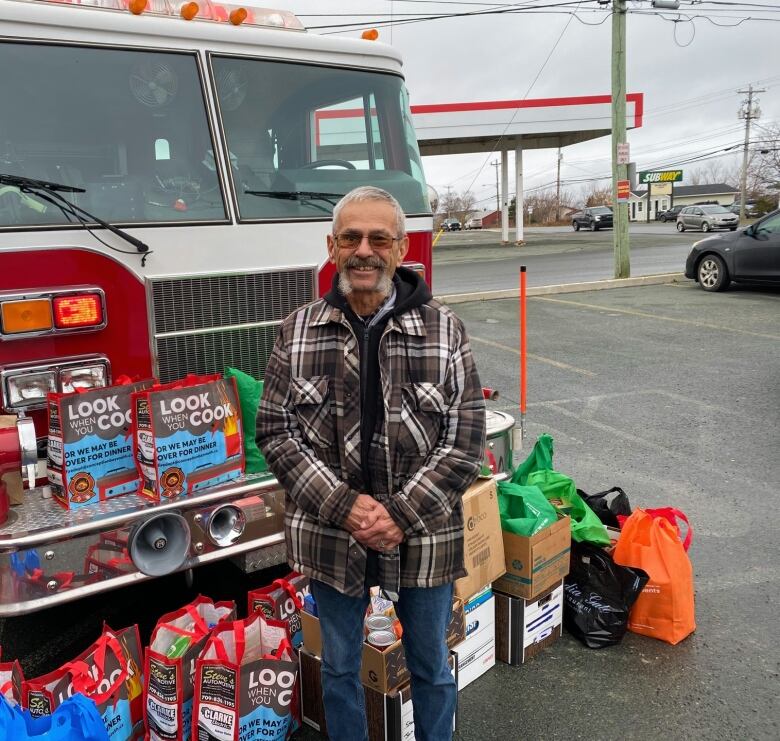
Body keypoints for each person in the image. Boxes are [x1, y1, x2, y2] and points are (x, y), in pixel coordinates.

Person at [257, 185, 485, 741]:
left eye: (379, 237)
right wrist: (346, 507)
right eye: (351, 237)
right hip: (331, 534)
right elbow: (276, 430)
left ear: (402, 248)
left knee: (431, 666)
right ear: (331, 246)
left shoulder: (443, 329)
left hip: (424, 533)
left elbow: (465, 441)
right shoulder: (298, 330)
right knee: (337, 666)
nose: (365, 250)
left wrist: (399, 514)